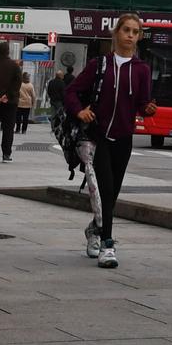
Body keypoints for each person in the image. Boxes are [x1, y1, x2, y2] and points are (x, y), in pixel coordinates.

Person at [64, 14, 156, 268]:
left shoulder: (142, 70)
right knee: (104, 190)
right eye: (126, 30)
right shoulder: (100, 64)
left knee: (112, 194)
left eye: (135, 32)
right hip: (98, 136)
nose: (130, 35)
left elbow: (141, 104)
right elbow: (71, 91)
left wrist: (148, 109)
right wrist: (79, 111)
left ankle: (94, 230)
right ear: (116, 33)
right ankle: (107, 245)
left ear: (138, 37)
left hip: (124, 139)